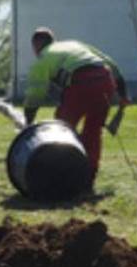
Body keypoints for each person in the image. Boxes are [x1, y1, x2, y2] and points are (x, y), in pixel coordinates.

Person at [23, 27, 128, 181]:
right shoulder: (75, 45)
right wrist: (123, 93)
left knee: (62, 128)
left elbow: (35, 96)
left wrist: (28, 122)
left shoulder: (44, 58)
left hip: (81, 83)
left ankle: (61, 171)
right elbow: (111, 65)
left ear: (36, 45)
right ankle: (89, 175)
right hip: (105, 80)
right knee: (93, 131)